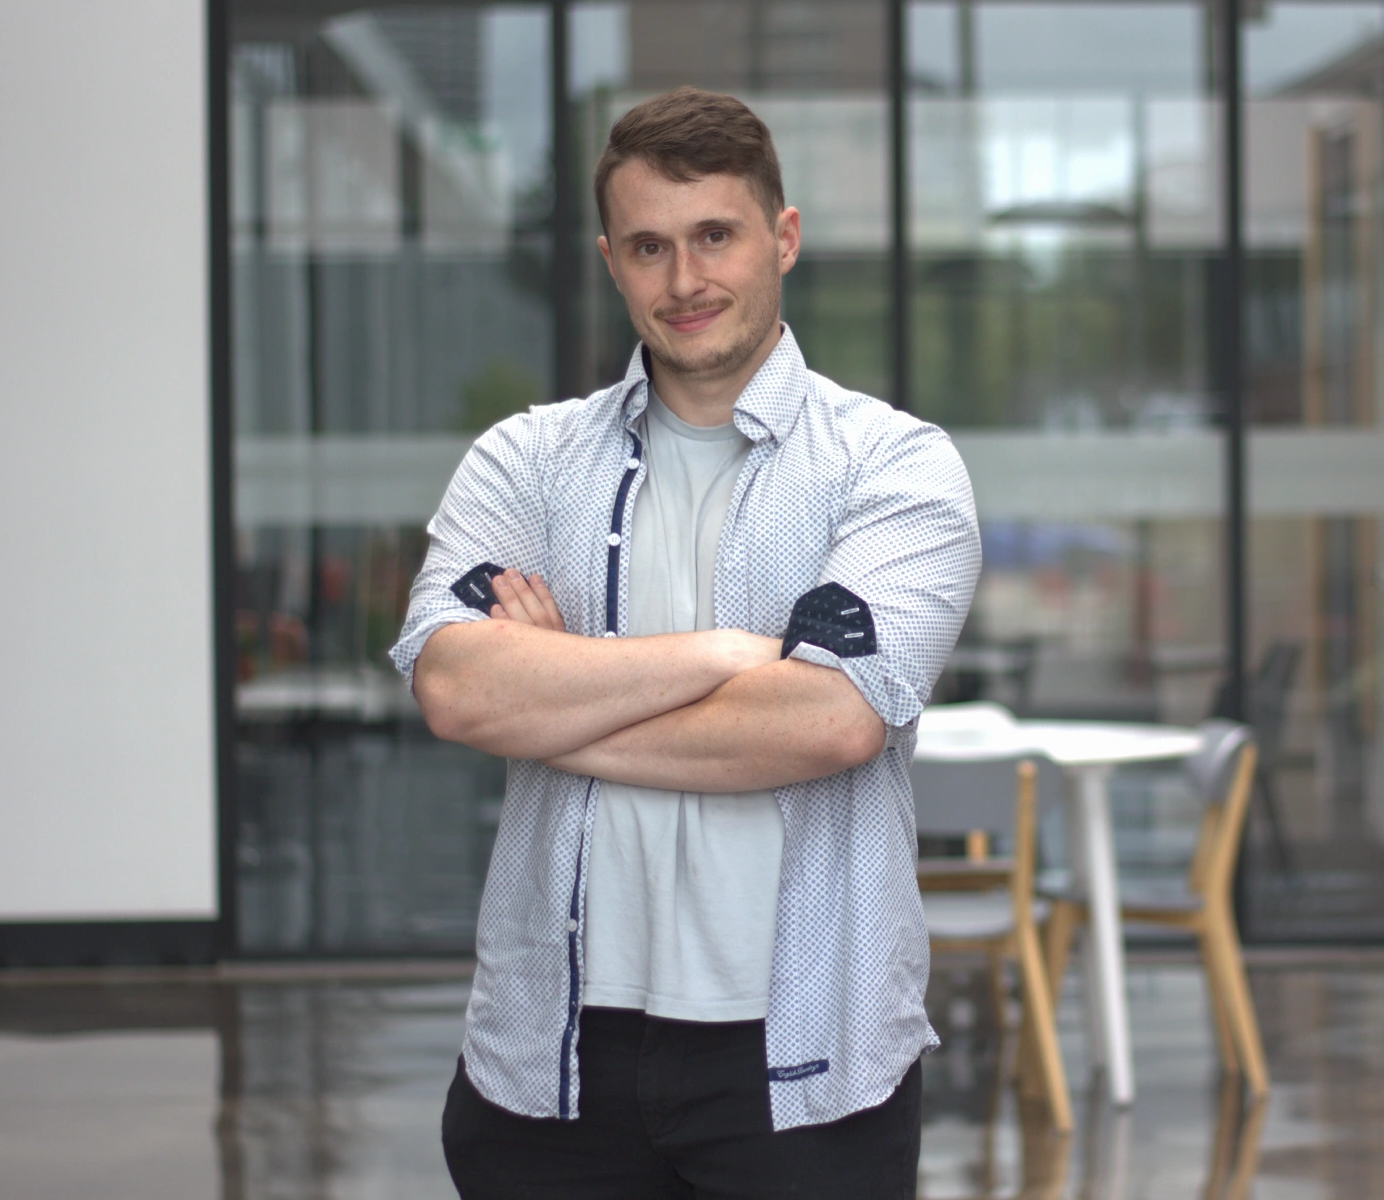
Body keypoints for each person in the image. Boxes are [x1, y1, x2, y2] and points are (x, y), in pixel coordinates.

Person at [391, 86, 981, 1199]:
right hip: (551, 1061)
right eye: (651, 247)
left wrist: (559, 698)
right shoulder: (525, 464)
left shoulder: (891, 467)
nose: (685, 280)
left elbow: (831, 718)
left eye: (716, 235)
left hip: (804, 1064)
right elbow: (460, 693)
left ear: (783, 239)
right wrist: (721, 654)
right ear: (612, 261)